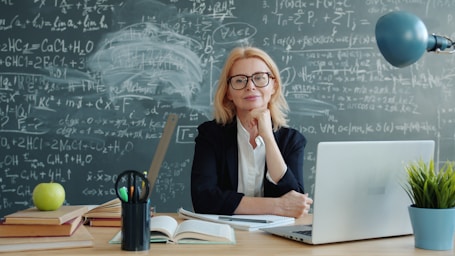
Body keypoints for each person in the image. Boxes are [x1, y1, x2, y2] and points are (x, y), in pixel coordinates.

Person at [191, 46, 313, 218]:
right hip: (223, 235)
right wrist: (276, 206)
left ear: (274, 86)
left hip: (275, 239)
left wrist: (268, 138)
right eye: (240, 80)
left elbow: (295, 202)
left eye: (259, 78)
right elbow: (203, 199)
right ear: (228, 93)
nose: (250, 86)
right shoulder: (211, 135)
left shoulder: (292, 140)